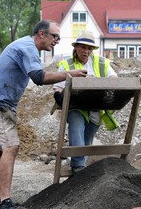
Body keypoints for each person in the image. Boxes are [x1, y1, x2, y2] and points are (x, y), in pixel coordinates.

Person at [0, 20, 87, 209]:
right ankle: (4, 200)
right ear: (41, 34)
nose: (57, 41)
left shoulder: (26, 46)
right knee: (11, 147)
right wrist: (70, 74)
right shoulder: (27, 48)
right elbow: (39, 77)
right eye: (55, 36)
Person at [53, 30, 119, 175]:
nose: (86, 51)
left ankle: (79, 168)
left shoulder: (101, 63)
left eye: (89, 48)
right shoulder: (66, 64)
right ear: (76, 47)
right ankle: (78, 169)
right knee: (76, 128)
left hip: (96, 107)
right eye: (83, 47)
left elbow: (115, 79)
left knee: (86, 141)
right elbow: (57, 86)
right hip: (76, 106)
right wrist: (58, 94)